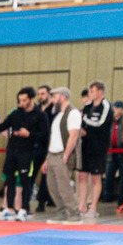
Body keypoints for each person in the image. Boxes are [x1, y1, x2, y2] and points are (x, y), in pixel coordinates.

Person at [0, 86, 48, 222]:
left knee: (25, 181)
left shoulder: (40, 115)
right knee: (10, 180)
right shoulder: (16, 113)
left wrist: (29, 134)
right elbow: (3, 125)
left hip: (27, 152)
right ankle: (10, 209)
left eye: (24, 100)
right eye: (19, 100)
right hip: (12, 151)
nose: (21, 103)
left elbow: (45, 135)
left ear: (31, 99)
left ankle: (23, 209)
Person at [43, 87, 83, 224]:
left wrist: (66, 155)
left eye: (54, 97)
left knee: (64, 186)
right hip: (52, 155)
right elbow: (54, 139)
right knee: (53, 186)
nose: (52, 100)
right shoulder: (59, 115)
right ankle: (61, 212)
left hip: (62, 155)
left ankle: (74, 213)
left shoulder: (73, 113)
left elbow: (73, 136)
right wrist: (46, 159)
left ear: (63, 97)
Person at [77, 80, 114, 219]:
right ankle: (82, 206)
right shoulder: (87, 106)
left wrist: (85, 120)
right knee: (82, 176)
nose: (90, 94)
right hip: (86, 145)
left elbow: (100, 124)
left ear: (100, 92)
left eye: (92, 91)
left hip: (98, 146)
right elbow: (81, 121)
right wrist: (82, 128)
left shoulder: (106, 106)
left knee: (96, 177)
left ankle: (93, 207)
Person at [33, 85, 57, 213]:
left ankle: (42, 201)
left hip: (49, 146)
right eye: (39, 94)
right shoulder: (35, 110)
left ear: (49, 95)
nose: (40, 96)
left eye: (43, 93)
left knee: (46, 175)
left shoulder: (54, 110)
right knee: (32, 174)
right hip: (35, 145)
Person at [104, 100, 123, 208]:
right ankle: (107, 195)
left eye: (118, 108)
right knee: (109, 174)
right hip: (111, 151)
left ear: (122, 110)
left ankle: (121, 196)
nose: (115, 110)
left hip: (122, 151)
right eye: (114, 107)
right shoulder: (110, 121)